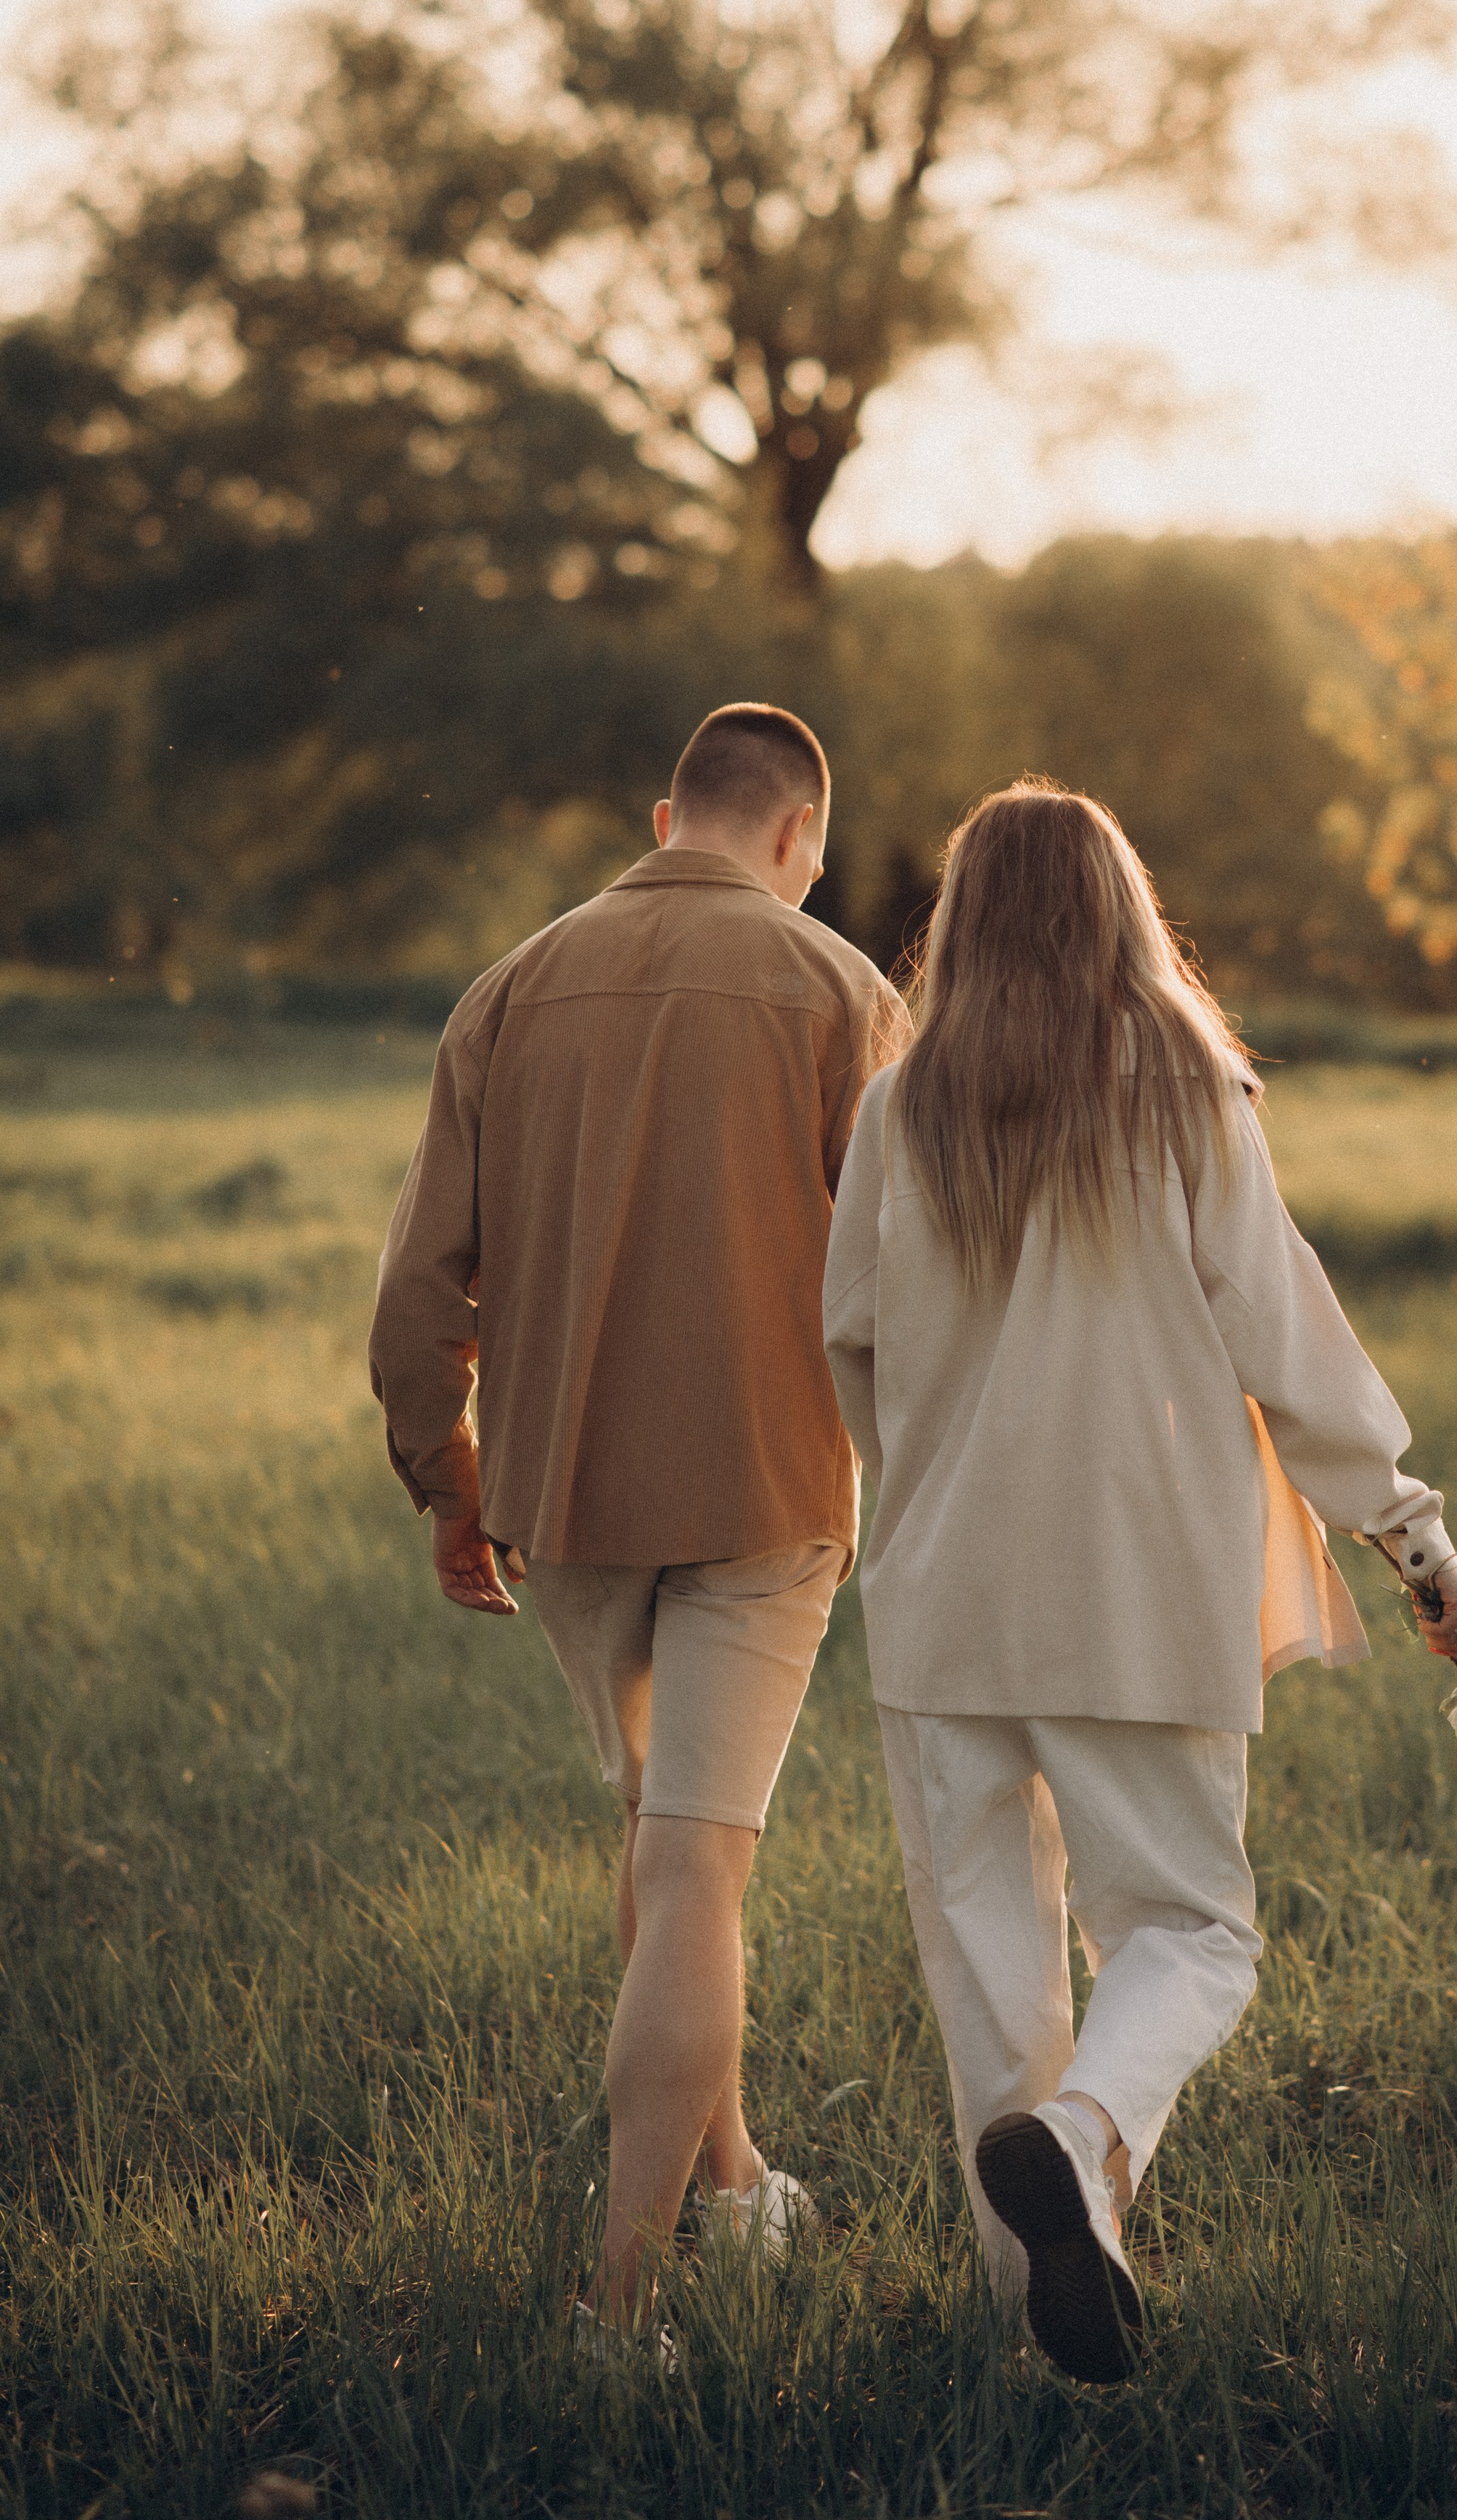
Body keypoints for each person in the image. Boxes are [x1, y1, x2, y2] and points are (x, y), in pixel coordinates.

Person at [822, 779, 1457, 2386]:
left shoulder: (899, 1104)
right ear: (1121, 909)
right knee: (1187, 1930)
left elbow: (847, 1343)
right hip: (1135, 1584)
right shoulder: (1185, 1088)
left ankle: (1038, 2337)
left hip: (942, 1594)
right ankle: (1084, 2133)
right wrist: (1417, 1542)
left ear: (959, 921)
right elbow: (1287, 1338)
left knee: (987, 1966)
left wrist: (916, 1497)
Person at [370, 703, 905, 2342]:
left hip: (565, 1498)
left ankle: (734, 2186)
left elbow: (415, 1297)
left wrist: (448, 1485)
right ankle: (619, 2308)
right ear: (798, 840)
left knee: (664, 1845)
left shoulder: (512, 988)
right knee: (692, 1862)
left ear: (665, 813)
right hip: (764, 1490)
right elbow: (907, 1281)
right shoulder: (841, 991)